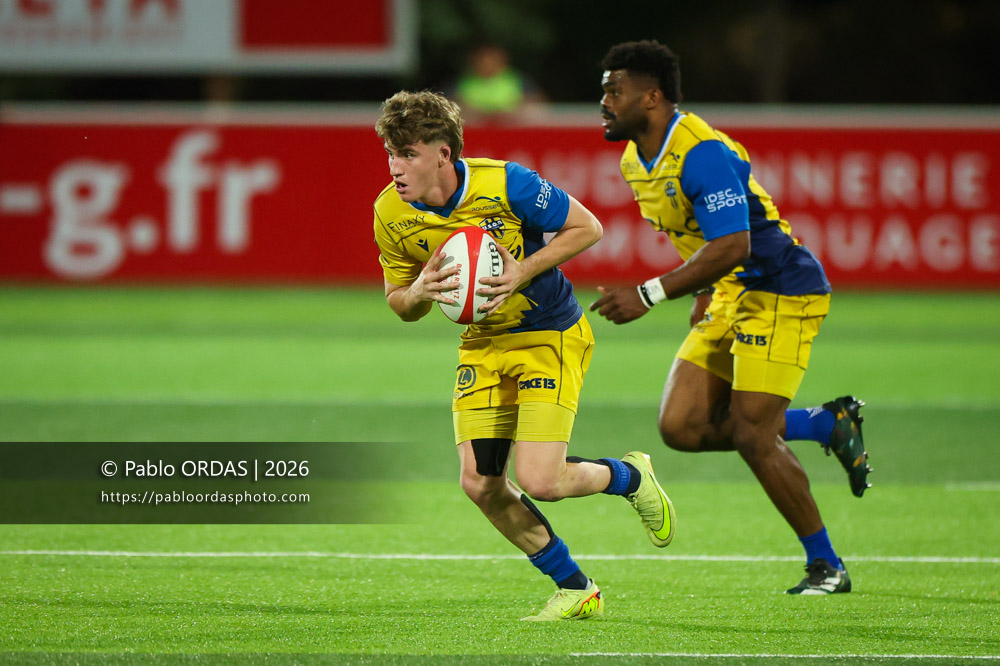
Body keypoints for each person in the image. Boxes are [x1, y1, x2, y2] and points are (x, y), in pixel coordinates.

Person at [373, 90, 676, 620]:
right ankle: (576, 588)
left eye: (409, 154)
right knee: (480, 484)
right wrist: (418, 293)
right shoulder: (389, 213)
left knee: (541, 481)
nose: (396, 167)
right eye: (391, 154)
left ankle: (629, 476)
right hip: (482, 345)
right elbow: (400, 303)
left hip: (548, 333)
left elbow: (588, 227)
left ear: (443, 153)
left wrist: (522, 270)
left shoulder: (505, 183)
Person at [590, 40, 872, 595]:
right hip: (729, 292)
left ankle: (827, 567)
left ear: (651, 97)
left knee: (751, 433)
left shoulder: (702, 152)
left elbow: (736, 243)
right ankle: (824, 423)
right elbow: (694, 238)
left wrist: (648, 295)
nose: (603, 100)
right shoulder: (634, 160)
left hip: (781, 290)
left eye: (613, 89)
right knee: (681, 427)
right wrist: (698, 290)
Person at [450, 43, 547, 121]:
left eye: (491, 59)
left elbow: (539, 104)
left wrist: (512, 112)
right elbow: (448, 106)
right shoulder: (464, 83)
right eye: (483, 60)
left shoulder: (517, 80)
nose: (487, 63)